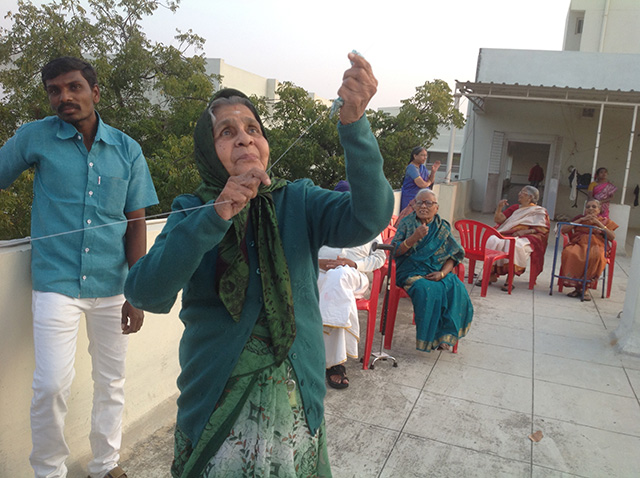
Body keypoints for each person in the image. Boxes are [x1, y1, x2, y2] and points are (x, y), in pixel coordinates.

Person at [124, 53, 394, 477]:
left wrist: (355, 126)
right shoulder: (193, 210)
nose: (245, 139)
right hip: (218, 401)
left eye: (253, 129)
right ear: (208, 152)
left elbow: (370, 215)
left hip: (297, 400)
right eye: (227, 132)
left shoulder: (298, 200)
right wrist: (215, 216)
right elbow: (145, 290)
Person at [0, 57, 158, 478]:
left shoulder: (127, 149)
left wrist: (136, 292)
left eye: (73, 87)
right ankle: (49, 471)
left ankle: (106, 465)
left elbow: (136, 222)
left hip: (112, 286)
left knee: (112, 381)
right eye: (55, 90)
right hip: (56, 284)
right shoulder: (36, 138)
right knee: (51, 385)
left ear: (95, 92)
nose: (64, 97)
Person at [318, 180, 386, 389]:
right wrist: (317, 261)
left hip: (354, 276)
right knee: (336, 289)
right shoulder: (321, 221)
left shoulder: (370, 224)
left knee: (339, 278)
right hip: (319, 273)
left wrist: (354, 263)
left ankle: (322, 355)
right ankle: (336, 363)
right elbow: (301, 250)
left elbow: (380, 258)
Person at [391, 189, 473, 352]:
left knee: (456, 288)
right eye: (419, 202)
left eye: (429, 203)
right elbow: (394, 251)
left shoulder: (442, 227)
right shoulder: (406, 223)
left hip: (437, 271)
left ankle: (445, 337)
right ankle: (430, 338)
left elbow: (454, 255)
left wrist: (442, 273)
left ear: (436, 207)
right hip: (410, 272)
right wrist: (414, 237)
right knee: (427, 290)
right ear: (414, 206)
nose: (423, 206)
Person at [485, 186, 550, 290]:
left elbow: (543, 230)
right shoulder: (515, 208)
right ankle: (491, 275)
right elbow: (499, 220)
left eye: (523, 192)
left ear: (530, 197)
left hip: (527, 237)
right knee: (493, 240)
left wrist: (526, 231)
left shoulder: (539, 211)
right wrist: (499, 208)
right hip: (509, 234)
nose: (519, 194)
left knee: (515, 246)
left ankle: (509, 280)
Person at [560, 199, 617, 300]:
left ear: (599, 210)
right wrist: (581, 221)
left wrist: (597, 223)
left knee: (596, 256)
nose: (590, 209)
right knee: (569, 252)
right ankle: (577, 288)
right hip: (578, 244)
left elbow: (612, 237)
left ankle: (585, 288)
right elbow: (564, 229)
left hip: (597, 246)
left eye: (594, 207)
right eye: (588, 207)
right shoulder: (580, 218)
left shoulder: (605, 221)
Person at [399, 146, 441, 211]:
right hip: (411, 198)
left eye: (426, 155)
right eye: (422, 155)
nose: (425, 158)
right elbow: (421, 184)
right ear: (415, 156)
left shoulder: (422, 167)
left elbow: (430, 180)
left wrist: (433, 172)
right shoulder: (411, 168)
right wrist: (428, 183)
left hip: (422, 199)